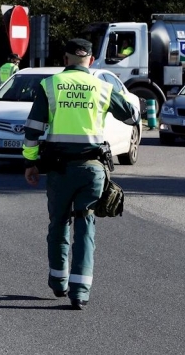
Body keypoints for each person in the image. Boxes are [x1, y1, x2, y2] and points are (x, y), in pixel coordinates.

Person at [23, 38, 139, 310]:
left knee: (59, 223)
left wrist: (31, 164)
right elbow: (132, 117)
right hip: (92, 169)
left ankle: (58, 282)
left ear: (65, 60)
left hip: (60, 169)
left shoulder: (49, 85)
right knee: (86, 226)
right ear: (90, 60)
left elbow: (32, 130)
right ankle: (80, 292)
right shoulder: (103, 87)